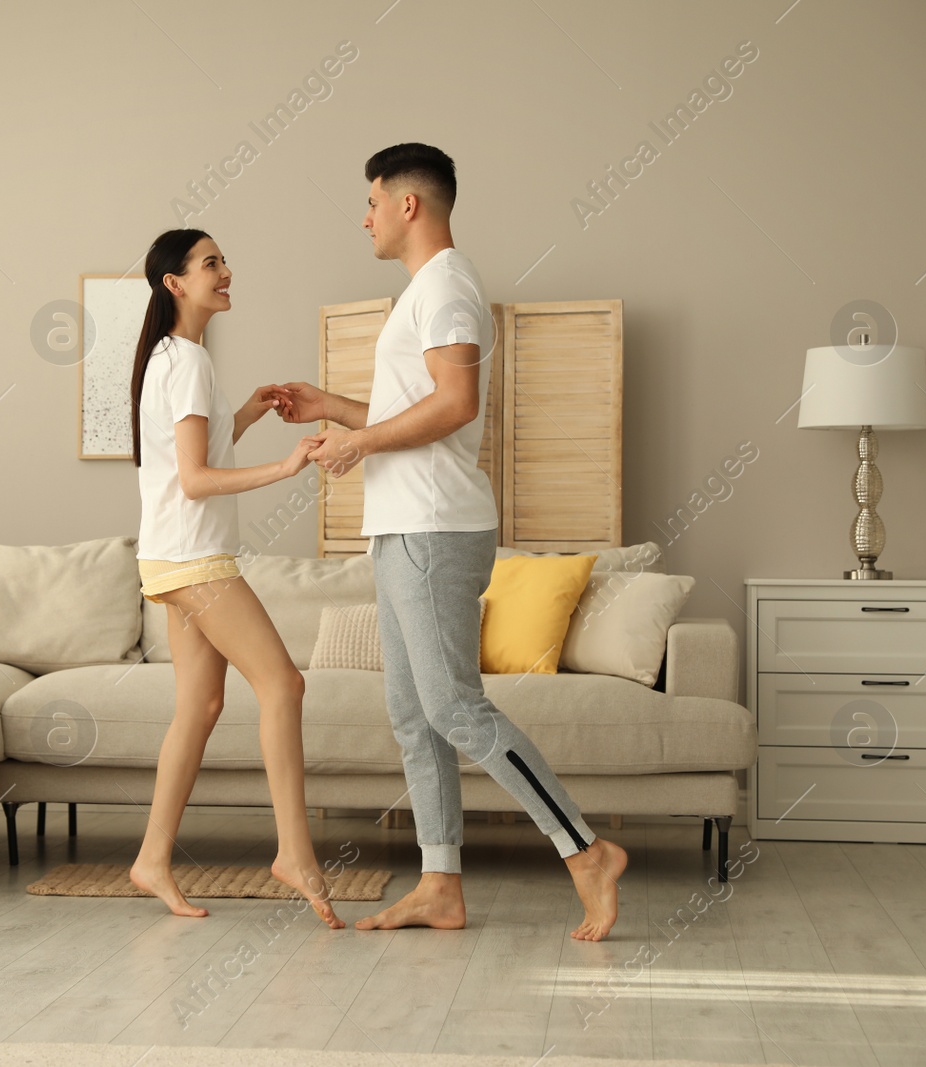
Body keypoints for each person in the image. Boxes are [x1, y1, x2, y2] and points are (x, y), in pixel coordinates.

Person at [275, 145, 628, 941]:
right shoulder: (422, 293)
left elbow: (457, 403)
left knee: (452, 706)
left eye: (371, 200)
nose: (362, 216)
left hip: (436, 527)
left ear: (409, 205)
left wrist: (357, 447)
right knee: (413, 712)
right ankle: (441, 883)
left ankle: (586, 850)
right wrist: (330, 405)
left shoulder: (447, 287)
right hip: (405, 526)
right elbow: (419, 402)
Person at [128, 228, 344, 929]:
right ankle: (294, 851)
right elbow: (195, 481)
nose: (226, 271)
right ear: (175, 284)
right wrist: (286, 467)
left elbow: (190, 456)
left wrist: (247, 412)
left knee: (201, 706)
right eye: (211, 263)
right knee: (283, 683)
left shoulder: (173, 358)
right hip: (196, 558)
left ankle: (152, 858)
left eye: (222, 260)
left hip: (170, 556)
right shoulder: (185, 361)